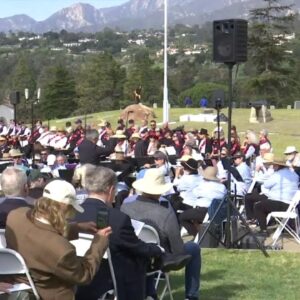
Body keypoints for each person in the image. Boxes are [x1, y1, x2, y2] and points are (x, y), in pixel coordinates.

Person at [5, 179, 112, 300]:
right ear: (66, 207)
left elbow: (39, 231)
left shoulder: (15, 215)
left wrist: (76, 228)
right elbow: (84, 276)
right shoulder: (61, 249)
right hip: (51, 294)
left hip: (19, 285)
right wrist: (99, 242)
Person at [74, 165, 164, 300]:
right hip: (109, 280)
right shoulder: (118, 219)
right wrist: (157, 249)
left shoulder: (72, 214)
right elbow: (137, 248)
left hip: (77, 277)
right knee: (139, 260)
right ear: (111, 190)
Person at [121, 168, 201, 300]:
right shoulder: (165, 213)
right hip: (157, 258)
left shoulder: (126, 207)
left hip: (132, 255)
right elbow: (177, 248)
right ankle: (191, 296)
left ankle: (150, 291)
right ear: (160, 191)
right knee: (193, 248)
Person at [245, 159, 299, 233]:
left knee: (258, 206)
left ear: (278, 166)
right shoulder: (294, 174)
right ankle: (258, 221)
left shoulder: (278, 175)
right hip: (290, 204)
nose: (273, 167)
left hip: (280, 202)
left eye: (274, 165)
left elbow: (266, 185)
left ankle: (262, 230)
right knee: (259, 201)